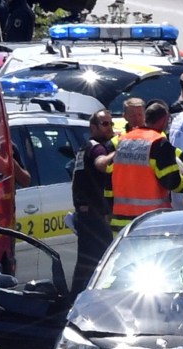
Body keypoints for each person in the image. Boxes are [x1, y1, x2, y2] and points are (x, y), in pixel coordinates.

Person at [110, 102, 183, 233]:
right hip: (149, 221)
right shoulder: (159, 143)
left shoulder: (124, 140)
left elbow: (108, 178)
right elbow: (172, 182)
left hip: (120, 223)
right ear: (165, 119)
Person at [70, 109, 116, 296]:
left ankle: (75, 298)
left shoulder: (85, 147)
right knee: (101, 262)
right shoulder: (96, 147)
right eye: (105, 124)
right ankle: (83, 299)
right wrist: (120, 150)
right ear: (93, 127)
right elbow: (102, 164)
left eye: (111, 123)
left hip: (87, 215)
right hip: (95, 217)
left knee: (86, 263)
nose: (110, 128)